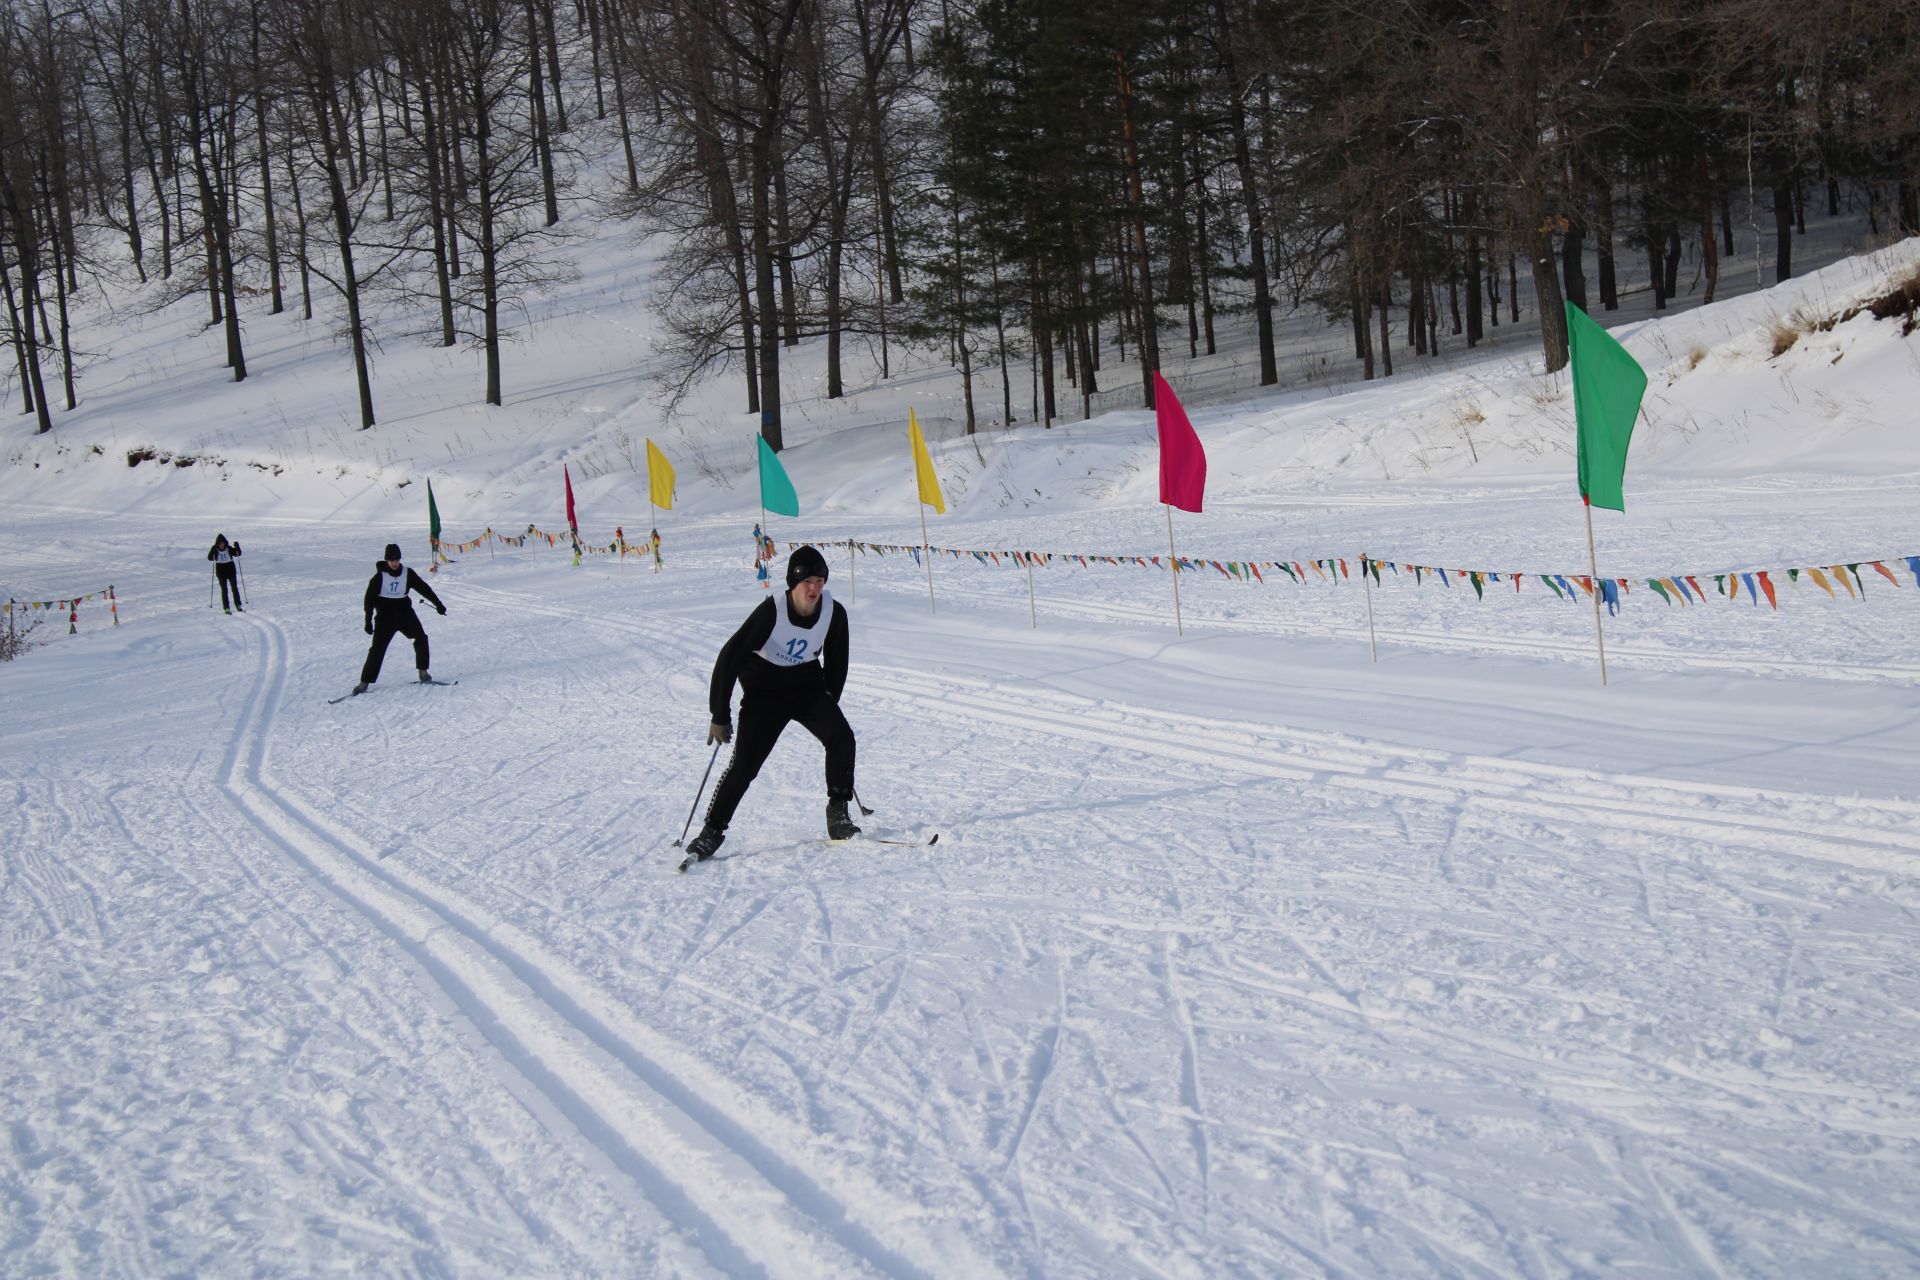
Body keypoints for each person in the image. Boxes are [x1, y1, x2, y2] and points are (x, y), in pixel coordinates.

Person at [683, 545, 857, 861]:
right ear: (793, 582)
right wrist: (719, 713)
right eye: (808, 581)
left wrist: (831, 698)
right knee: (745, 765)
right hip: (765, 694)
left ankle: (839, 815)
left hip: (806, 689)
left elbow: (838, 658)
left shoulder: (834, 612)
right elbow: (730, 657)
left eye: (820, 580)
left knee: (841, 738)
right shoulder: (771, 612)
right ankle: (710, 832)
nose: (815, 588)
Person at [355, 543, 445, 694]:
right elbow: (369, 601)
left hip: (405, 613)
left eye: (397, 559)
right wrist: (368, 621)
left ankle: (423, 672)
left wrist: (438, 604)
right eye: (391, 560)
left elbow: (423, 588)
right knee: (377, 649)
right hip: (385, 617)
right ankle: (364, 682)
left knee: (421, 638)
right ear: (386, 560)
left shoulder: (407, 573)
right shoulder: (378, 578)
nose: (395, 563)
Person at [207, 533, 243, 613]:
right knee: (224, 589)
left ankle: (238, 605)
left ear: (225, 543)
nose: (221, 545)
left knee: (234, 588)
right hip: (220, 571)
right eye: (220, 544)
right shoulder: (215, 549)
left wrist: (237, 546)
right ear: (217, 544)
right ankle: (226, 607)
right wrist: (212, 550)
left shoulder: (229, 548)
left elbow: (238, 553)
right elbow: (209, 558)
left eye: (223, 543)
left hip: (230, 569)